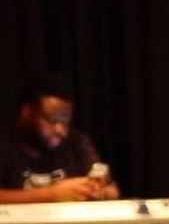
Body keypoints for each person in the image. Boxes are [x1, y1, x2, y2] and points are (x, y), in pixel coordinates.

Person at [0, 75, 119, 203]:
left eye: (65, 123)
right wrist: (51, 194)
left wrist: (98, 190)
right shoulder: (6, 143)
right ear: (27, 112)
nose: (61, 131)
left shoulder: (77, 142)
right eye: (52, 121)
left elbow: (112, 190)